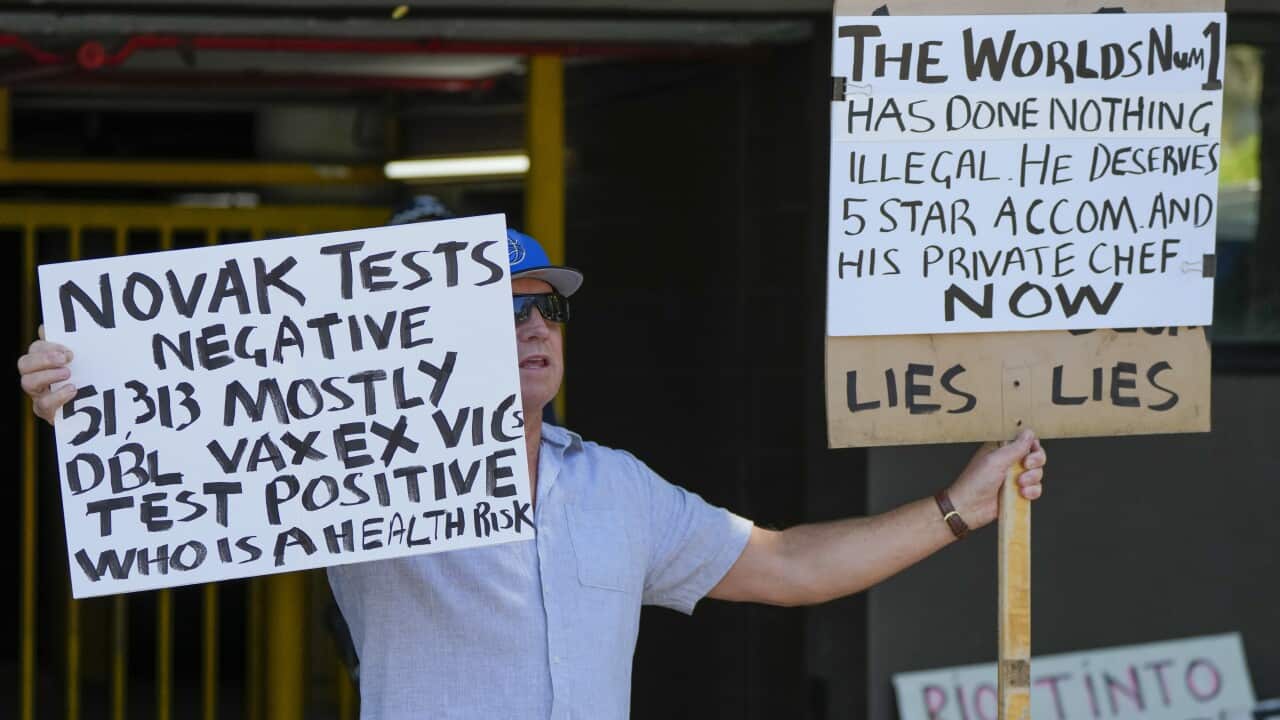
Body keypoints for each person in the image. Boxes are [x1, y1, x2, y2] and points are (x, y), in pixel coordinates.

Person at [18, 227, 1047, 720]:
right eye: (504, 309)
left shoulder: (617, 486)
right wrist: (89, 392)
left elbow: (784, 566)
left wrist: (959, 505)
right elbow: (193, 454)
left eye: (546, 308)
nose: (534, 327)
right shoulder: (363, 462)